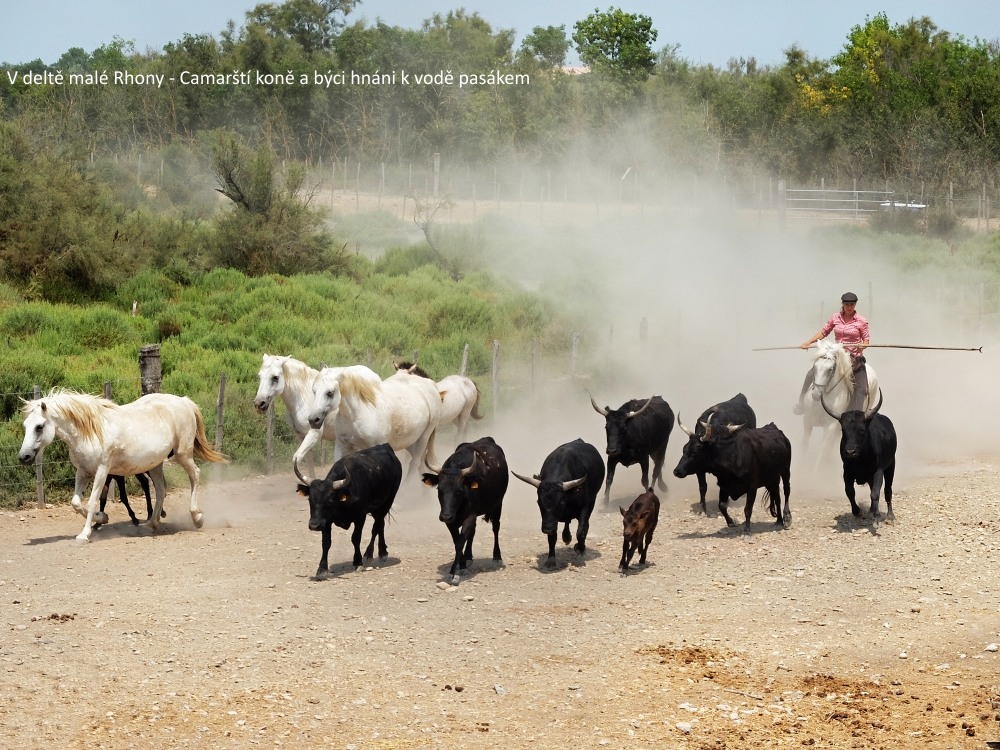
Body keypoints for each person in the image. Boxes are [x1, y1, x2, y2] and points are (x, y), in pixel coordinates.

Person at [793, 291, 870, 414]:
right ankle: (801, 403)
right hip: (836, 354)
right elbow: (824, 332)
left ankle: (856, 415)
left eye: (852, 304)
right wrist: (808, 342)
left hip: (854, 358)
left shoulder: (861, 321)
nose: (849, 307)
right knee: (810, 374)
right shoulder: (835, 317)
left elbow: (866, 340)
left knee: (862, 388)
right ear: (843, 304)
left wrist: (862, 346)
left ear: (855, 305)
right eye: (847, 304)